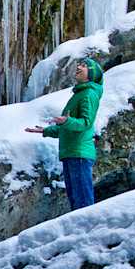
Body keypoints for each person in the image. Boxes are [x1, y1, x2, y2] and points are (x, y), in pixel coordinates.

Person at [25, 57, 104, 210]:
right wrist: (46, 130)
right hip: (71, 153)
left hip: (79, 153)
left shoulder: (89, 94)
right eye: (79, 64)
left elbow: (85, 123)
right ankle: (79, 231)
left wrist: (67, 121)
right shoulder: (80, 94)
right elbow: (68, 127)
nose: (79, 67)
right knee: (75, 199)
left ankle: (86, 230)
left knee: (82, 200)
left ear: (92, 74)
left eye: (84, 65)